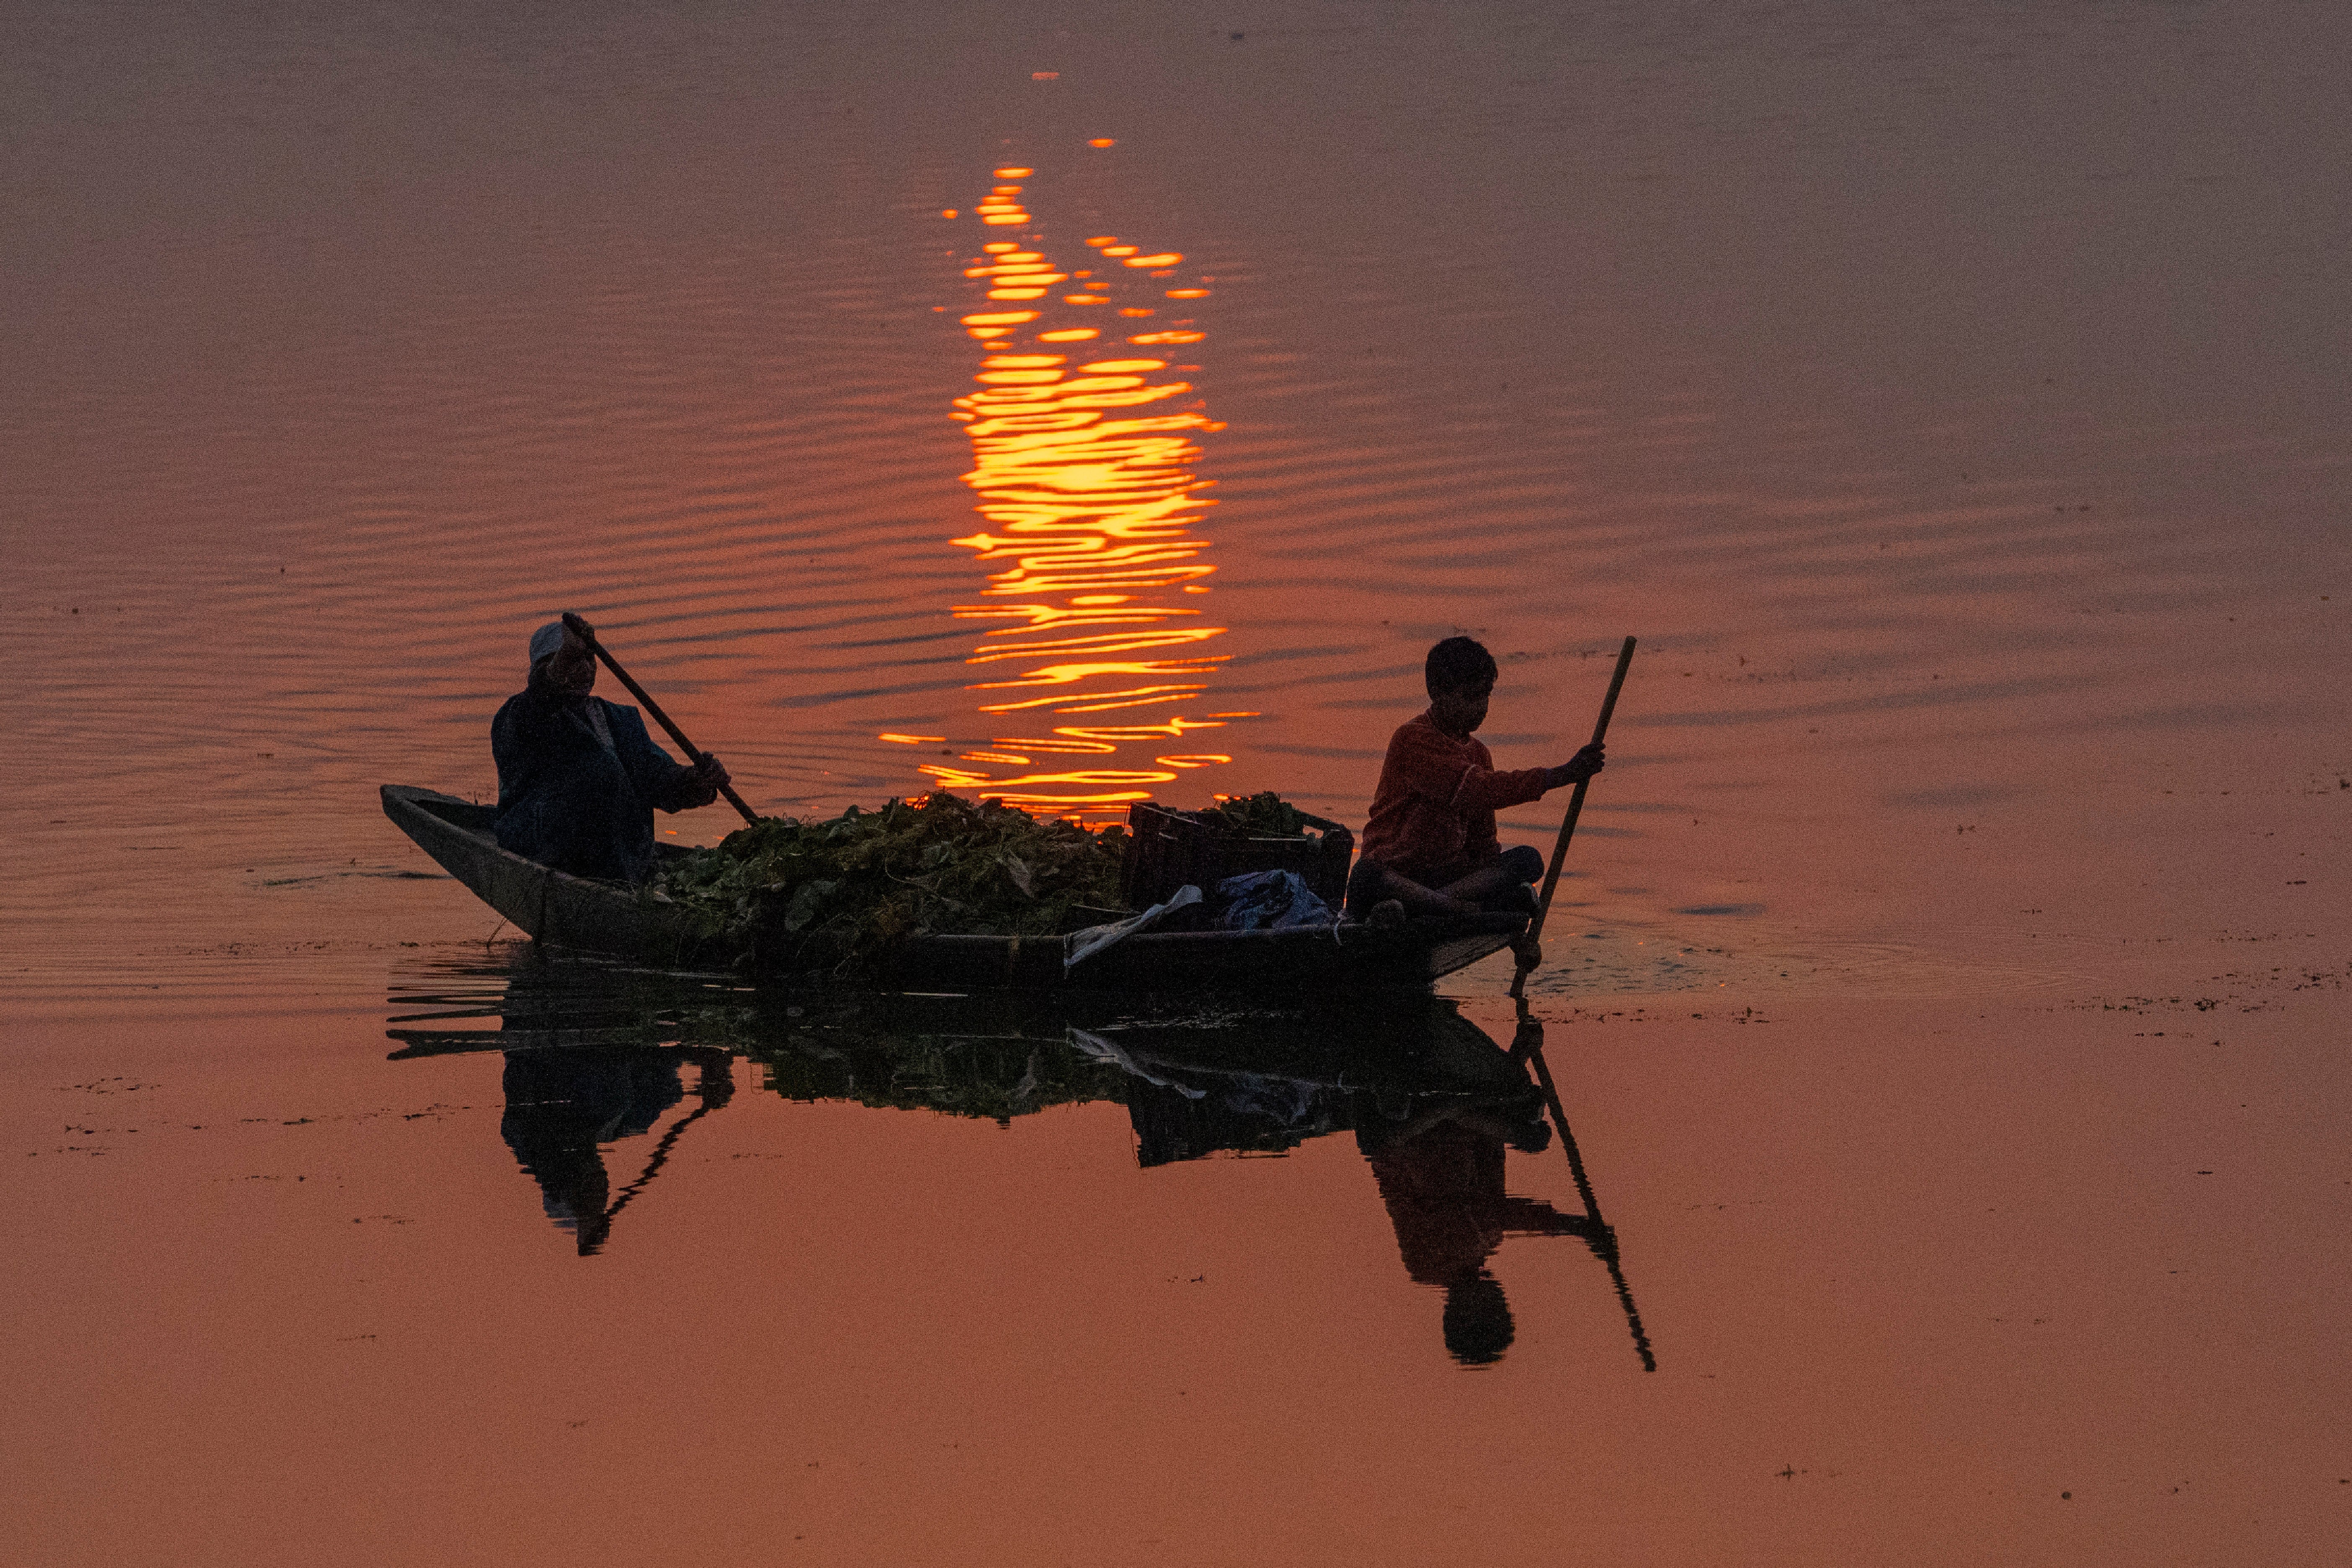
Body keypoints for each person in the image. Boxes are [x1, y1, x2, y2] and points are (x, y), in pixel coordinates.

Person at [1348, 637, 1604, 963]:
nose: (1480, 707)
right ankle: (1455, 911)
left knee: (1527, 862)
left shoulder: (1479, 753)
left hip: (1447, 884)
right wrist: (1560, 775)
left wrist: (1519, 941)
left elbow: (1483, 844)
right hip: (1399, 878)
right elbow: (1478, 790)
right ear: (1439, 695)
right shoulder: (1412, 739)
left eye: (1485, 696)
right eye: (1470, 698)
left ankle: (1441, 907)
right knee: (1366, 875)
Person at [491, 620, 732, 882]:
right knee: (599, 769)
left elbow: (657, 778)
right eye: (569, 662)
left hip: (624, 858)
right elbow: (540, 699)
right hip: (542, 843)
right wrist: (562, 663)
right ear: (540, 671)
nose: (582, 668)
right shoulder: (520, 717)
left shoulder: (620, 720)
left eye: (588, 659)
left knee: (611, 771)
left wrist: (696, 780)